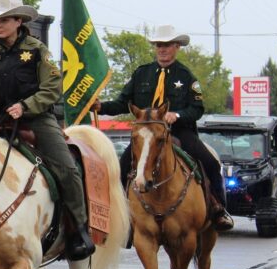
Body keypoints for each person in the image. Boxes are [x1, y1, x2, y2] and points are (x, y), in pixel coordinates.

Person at [0, 0, 95, 261]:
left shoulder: (37, 51)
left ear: (18, 21)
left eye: (4, 20)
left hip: (36, 119)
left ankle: (79, 230)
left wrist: (26, 105)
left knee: (68, 169)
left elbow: (52, 87)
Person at [91, 24, 234, 231]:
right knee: (122, 167)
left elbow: (197, 108)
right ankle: (121, 218)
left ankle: (218, 209)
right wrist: (101, 106)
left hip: (178, 131)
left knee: (211, 163)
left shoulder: (186, 77)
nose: (162, 49)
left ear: (177, 47)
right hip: (147, 134)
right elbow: (123, 102)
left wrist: (177, 114)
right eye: (159, 45)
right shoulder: (141, 73)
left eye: (167, 45)